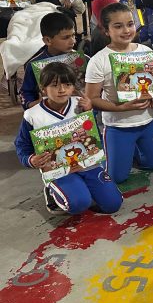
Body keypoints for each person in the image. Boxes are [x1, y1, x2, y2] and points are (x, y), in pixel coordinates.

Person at [15, 62, 123, 215]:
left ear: (73, 87)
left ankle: (82, 188)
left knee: (113, 204)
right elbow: (22, 146)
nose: (62, 90)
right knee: (78, 204)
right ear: (43, 88)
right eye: (54, 85)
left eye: (67, 84)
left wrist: (89, 113)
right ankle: (51, 189)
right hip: (58, 170)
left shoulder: (79, 105)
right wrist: (30, 159)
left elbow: (94, 138)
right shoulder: (32, 115)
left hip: (88, 165)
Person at [84, 3, 153, 183]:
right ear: (106, 30)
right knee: (117, 177)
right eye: (118, 26)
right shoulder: (98, 61)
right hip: (119, 126)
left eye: (130, 24)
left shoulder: (147, 52)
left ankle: (134, 149)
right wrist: (122, 107)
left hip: (150, 119)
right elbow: (92, 99)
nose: (126, 30)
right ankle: (117, 150)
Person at [21, 12, 80, 109]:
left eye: (73, 35)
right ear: (48, 40)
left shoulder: (83, 60)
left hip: (80, 115)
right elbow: (26, 93)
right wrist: (36, 104)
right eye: (66, 37)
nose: (73, 41)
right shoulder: (33, 65)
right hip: (49, 117)